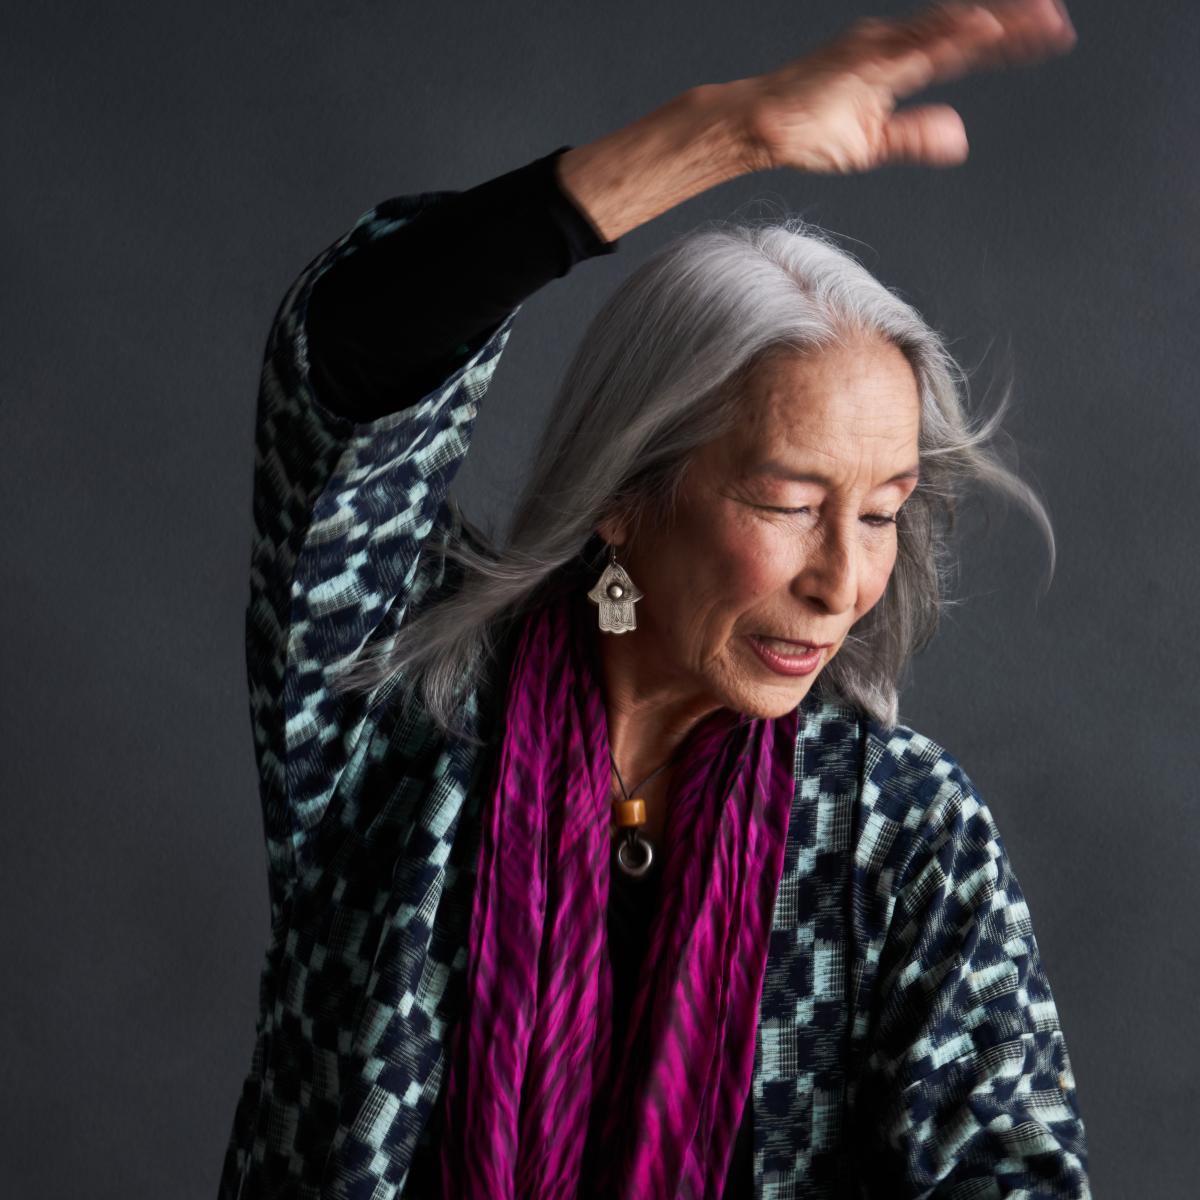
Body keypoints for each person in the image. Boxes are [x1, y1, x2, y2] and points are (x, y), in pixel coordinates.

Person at [218, 2, 1090, 1196]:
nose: (845, 581)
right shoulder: (402, 722)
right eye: (788, 502)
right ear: (627, 496)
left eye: (881, 512)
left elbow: (1014, 1173)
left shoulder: (899, 834)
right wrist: (717, 136)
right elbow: (347, 369)